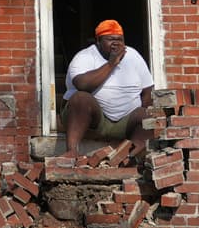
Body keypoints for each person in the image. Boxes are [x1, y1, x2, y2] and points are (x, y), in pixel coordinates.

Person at [61, 19, 154, 159]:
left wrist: (143, 115)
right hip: (97, 120)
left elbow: (148, 91)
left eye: (120, 40)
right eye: (110, 39)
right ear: (98, 40)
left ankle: (128, 157)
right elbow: (82, 85)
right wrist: (112, 63)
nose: (116, 43)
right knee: (80, 98)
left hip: (126, 120)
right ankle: (72, 151)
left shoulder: (133, 56)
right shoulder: (85, 56)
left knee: (149, 115)